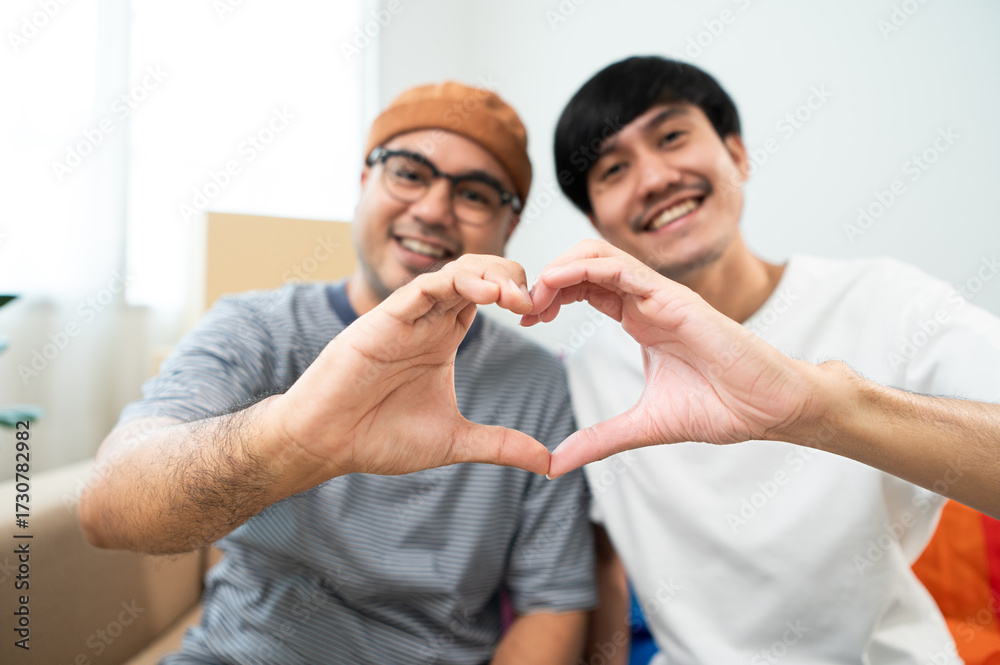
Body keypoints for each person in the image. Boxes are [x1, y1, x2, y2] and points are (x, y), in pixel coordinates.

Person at [79, 81, 597, 665]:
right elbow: (107, 507)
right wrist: (292, 439)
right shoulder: (257, 328)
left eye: (474, 194)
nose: (432, 210)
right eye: (409, 173)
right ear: (364, 182)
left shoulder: (538, 383)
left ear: (510, 224)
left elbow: (552, 604)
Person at [538, 56, 1000, 664]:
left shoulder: (884, 302)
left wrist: (821, 410)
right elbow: (597, 560)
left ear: (737, 154)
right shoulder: (587, 373)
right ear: (596, 222)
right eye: (613, 169)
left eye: (671, 136)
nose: (652, 178)